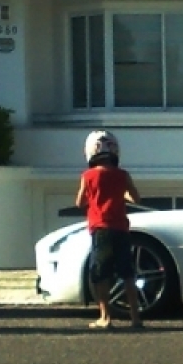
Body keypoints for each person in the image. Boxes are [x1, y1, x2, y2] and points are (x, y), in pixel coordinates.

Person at [76, 130, 143, 330]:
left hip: (100, 228)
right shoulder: (123, 175)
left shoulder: (88, 176)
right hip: (121, 228)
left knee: (100, 273)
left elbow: (79, 202)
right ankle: (136, 318)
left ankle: (105, 317)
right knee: (127, 273)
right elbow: (136, 198)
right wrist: (119, 196)